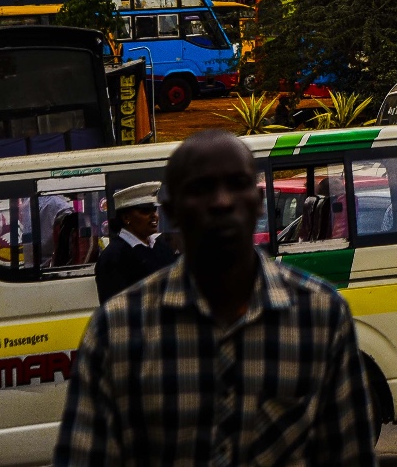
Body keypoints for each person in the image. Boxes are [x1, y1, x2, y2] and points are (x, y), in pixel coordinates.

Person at [54, 131, 376, 466]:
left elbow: (349, 453)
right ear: (173, 211)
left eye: (237, 184)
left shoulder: (320, 315)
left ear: (257, 200)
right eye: (201, 189)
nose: (222, 201)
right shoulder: (116, 330)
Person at [91, 181, 175, 304]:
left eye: (154, 210)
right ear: (126, 218)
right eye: (145, 211)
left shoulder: (162, 248)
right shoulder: (113, 257)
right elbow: (114, 309)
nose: (154, 216)